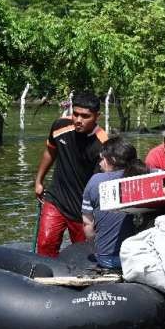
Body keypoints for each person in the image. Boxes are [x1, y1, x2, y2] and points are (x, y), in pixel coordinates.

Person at [34, 91, 108, 257]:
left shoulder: (103, 144)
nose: (78, 120)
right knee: (45, 244)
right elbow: (50, 152)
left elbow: (102, 184)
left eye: (85, 116)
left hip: (83, 210)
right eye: (75, 114)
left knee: (84, 254)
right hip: (56, 200)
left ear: (97, 116)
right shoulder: (60, 126)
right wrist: (39, 181)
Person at [81, 137, 150, 269]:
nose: (99, 163)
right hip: (141, 256)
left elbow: (87, 225)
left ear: (110, 160)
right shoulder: (147, 174)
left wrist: (96, 246)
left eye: (101, 159)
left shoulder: (96, 181)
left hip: (109, 260)